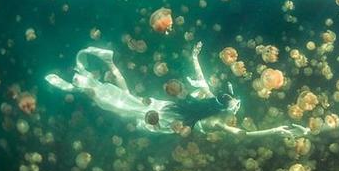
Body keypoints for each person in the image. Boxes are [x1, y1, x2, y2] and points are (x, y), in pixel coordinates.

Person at [45, 42, 309, 138]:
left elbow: (200, 77)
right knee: (116, 102)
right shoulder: (214, 120)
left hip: (155, 111)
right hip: (152, 117)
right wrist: (275, 131)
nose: (235, 107)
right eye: (235, 105)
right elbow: (245, 134)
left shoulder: (208, 106)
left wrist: (276, 130)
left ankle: (100, 69)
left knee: (123, 97)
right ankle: (84, 84)